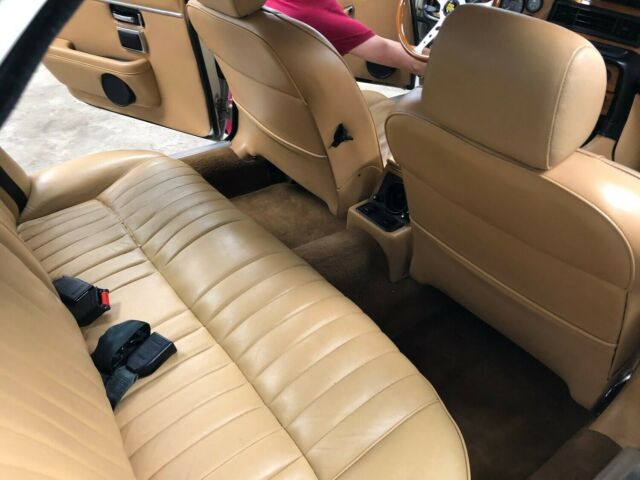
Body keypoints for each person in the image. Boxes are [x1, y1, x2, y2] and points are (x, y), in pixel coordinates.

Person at [264, 0, 427, 76]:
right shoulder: (311, 11)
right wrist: (441, 58)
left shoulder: (259, 5)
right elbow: (414, 62)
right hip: (317, 119)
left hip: (260, 116)